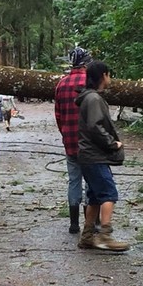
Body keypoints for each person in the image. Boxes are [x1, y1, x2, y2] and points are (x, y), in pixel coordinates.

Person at [75, 61, 129, 251]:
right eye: (109, 74)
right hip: (95, 156)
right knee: (108, 194)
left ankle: (88, 236)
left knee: (95, 197)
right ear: (103, 75)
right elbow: (95, 127)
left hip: (88, 156)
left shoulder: (88, 98)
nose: (110, 78)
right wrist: (113, 143)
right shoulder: (94, 99)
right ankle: (105, 236)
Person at [54, 46, 93, 234]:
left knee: (74, 181)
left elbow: (58, 116)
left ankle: (73, 224)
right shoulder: (90, 82)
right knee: (91, 182)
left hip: (70, 142)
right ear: (85, 63)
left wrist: (66, 134)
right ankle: (90, 223)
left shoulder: (61, 84)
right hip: (90, 143)